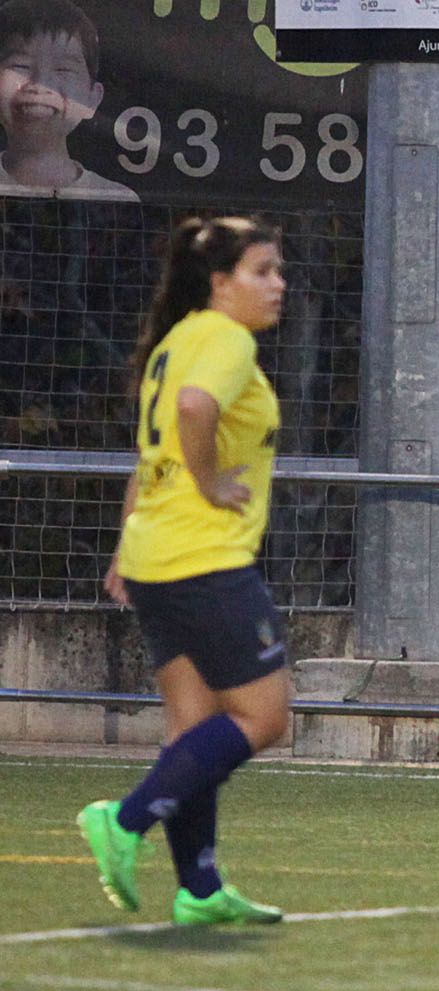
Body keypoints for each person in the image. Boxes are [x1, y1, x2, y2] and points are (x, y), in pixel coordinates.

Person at [77, 216, 287, 925]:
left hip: (156, 555)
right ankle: (125, 820)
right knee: (263, 717)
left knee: (193, 726)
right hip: (205, 557)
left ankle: (199, 890)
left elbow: (149, 454)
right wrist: (208, 482)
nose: (277, 284)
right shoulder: (225, 339)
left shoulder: (174, 342)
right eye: (263, 271)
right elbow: (196, 413)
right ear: (221, 284)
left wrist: (124, 550)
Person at [0, 0, 137, 200]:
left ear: (92, 98)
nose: (40, 84)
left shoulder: (116, 199)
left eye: (63, 70)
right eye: (20, 66)